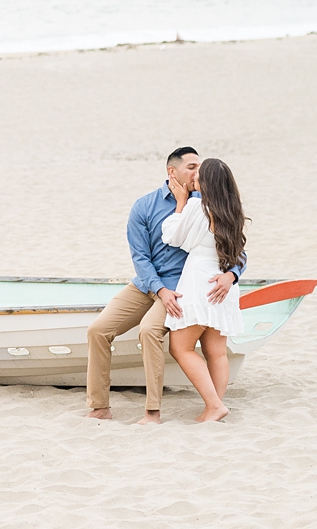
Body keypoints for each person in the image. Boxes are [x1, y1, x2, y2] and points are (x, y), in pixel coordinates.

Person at [85, 147, 243, 424]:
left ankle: (153, 411)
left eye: (200, 168)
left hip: (183, 287)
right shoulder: (145, 206)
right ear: (173, 172)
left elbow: (235, 250)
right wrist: (158, 288)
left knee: (149, 331)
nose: (197, 172)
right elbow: (140, 256)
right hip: (149, 284)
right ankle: (99, 406)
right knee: (98, 330)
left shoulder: (204, 202)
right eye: (192, 167)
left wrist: (232, 274)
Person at [161, 157, 247, 423]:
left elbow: (172, 237)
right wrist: (232, 275)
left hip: (199, 282)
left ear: (207, 182)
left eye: (200, 173)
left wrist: (179, 204)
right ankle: (216, 405)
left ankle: (214, 405)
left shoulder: (197, 207)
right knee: (216, 352)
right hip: (221, 283)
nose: (195, 176)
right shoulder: (233, 212)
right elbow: (240, 253)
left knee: (181, 348)